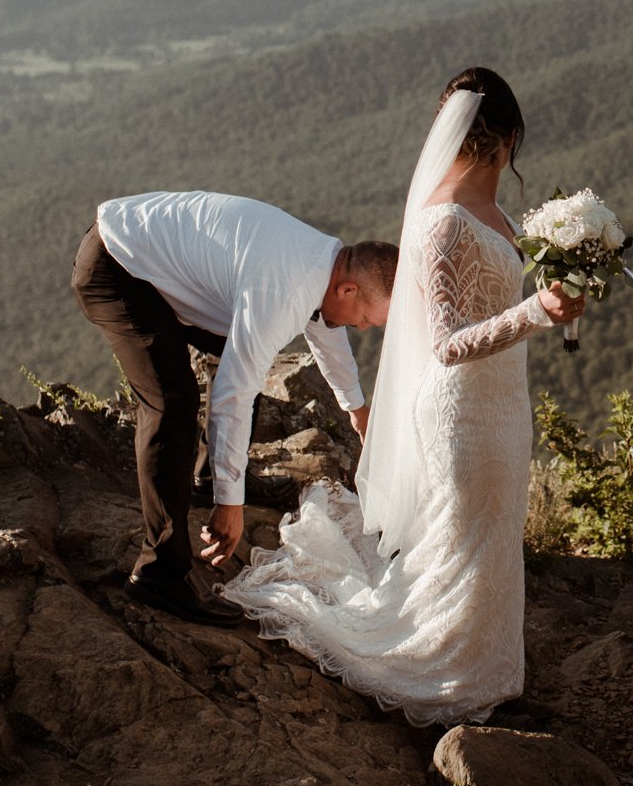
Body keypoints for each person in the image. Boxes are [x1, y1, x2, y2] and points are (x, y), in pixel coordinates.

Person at [222, 68, 583, 725]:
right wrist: (535, 312)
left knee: (494, 544)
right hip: (461, 413)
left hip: (505, 406)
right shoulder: (441, 224)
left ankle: (493, 678)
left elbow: (503, 302)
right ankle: (456, 686)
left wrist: (564, 298)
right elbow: (445, 342)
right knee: (460, 544)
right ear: (504, 140)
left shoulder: (498, 215)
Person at [70, 190, 395, 625]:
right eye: (367, 318)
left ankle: (205, 475)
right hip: (118, 266)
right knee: (172, 404)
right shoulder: (286, 287)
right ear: (348, 287)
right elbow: (233, 392)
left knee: (246, 350)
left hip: (158, 267)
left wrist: (356, 407)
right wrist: (230, 504)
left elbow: (326, 329)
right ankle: (159, 573)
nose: (361, 327)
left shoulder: (326, 264)